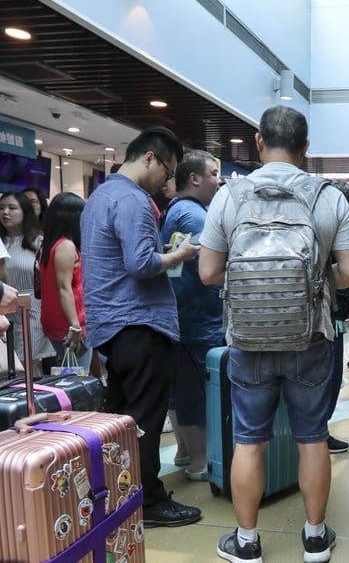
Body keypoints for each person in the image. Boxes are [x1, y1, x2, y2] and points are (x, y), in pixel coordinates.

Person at [199, 107, 349, 562]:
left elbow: (208, 270)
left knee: (250, 438)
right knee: (312, 435)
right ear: (306, 148)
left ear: (258, 142)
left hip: (247, 339)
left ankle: (246, 542)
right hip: (310, 336)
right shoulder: (329, 198)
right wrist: (312, 282)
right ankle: (314, 538)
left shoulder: (229, 197)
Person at [81, 126, 202, 527]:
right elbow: (141, 264)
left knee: (119, 419)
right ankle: (149, 503)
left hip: (111, 327)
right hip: (140, 323)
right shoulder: (133, 200)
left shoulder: (100, 196)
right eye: (167, 172)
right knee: (145, 422)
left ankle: (117, 494)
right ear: (149, 158)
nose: (166, 181)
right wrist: (179, 254)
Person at [159, 149, 223, 482]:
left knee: (181, 386)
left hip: (181, 315)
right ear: (194, 178)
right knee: (199, 390)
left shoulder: (176, 210)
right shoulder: (196, 216)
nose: (218, 180)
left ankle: (186, 451)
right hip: (199, 317)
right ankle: (201, 460)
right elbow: (211, 266)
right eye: (213, 174)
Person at [0, 191, 56, 374]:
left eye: (12, 208)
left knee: (30, 369)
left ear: (25, 211)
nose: (5, 212)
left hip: (31, 312)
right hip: (4, 313)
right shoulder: (1, 242)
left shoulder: (40, 241)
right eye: (1, 208)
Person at [38, 193, 90, 368]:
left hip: (55, 321)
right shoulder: (65, 246)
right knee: (79, 377)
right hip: (70, 321)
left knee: (71, 373)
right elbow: (64, 288)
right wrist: (75, 326)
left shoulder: (48, 245)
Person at [326, 179, 349, 455]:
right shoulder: (330, 231)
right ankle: (318, 433)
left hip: (328, 313)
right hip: (327, 315)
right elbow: (348, 272)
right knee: (329, 377)